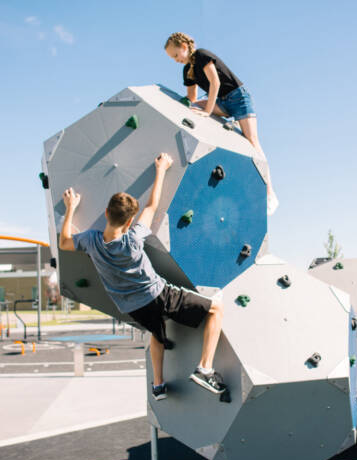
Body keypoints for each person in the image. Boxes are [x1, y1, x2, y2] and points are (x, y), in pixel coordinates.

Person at [58, 153, 227, 400]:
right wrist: (161, 169)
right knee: (216, 310)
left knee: (157, 334)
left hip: (132, 307)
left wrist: (70, 209)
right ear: (129, 223)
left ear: (106, 213)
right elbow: (152, 206)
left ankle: (158, 386)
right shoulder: (133, 238)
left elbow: (64, 242)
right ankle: (205, 368)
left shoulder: (91, 241)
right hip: (158, 295)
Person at [164, 31, 279, 215]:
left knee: (253, 141)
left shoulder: (201, 55)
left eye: (176, 55)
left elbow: (215, 83)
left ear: (184, 47)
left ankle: (270, 193)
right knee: (193, 107)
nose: (176, 59)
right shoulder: (187, 71)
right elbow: (191, 98)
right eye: (172, 58)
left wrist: (207, 112)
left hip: (237, 98)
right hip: (221, 103)